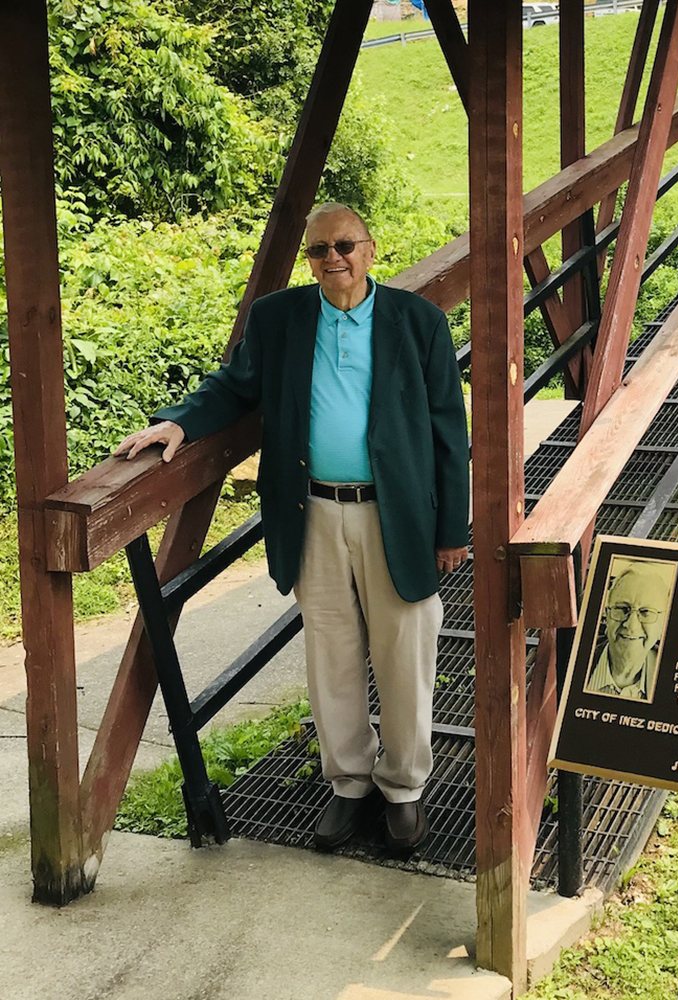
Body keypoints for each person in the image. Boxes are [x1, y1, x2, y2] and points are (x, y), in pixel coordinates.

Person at [115, 203, 470, 853]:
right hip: (313, 511)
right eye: (319, 250)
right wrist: (178, 422)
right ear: (309, 259)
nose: (333, 258)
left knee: (405, 652)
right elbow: (234, 387)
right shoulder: (278, 319)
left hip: (398, 515)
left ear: (370, 249)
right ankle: (349, 784)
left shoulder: (416, 321)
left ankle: (404, 789)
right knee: (330, 654)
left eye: (345, 246)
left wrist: (452, 528)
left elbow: (450, 430)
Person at [584, 561, 674, 702]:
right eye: (622, 609)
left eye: (645, 612)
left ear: (663, 624)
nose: (630, 625)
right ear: (607, 615)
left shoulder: (675, 685)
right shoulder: (572, 661)